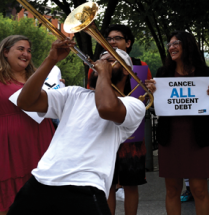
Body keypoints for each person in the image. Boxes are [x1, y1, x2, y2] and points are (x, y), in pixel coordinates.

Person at [8, 40, 145, 215]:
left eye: (110, 61)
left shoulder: (133, 104)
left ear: (126, 70)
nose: (101, 63)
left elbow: (106, 108)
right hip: (42, 179)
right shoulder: (73, 93)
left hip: (85, 186)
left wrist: (104, 74)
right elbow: (25, 102)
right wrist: (51, 59)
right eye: (100, 60)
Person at [145, 31, 209, 215]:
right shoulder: (163, 73)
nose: (172, 47)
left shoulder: (206, 73)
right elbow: (155, 107)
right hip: (170, 137)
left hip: (197, 137)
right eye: (169, 44)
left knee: (199, 189)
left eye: (176, 43)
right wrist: (152, 94)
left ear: (188, 45)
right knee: (172, 190)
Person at [90, 24, 152, 215]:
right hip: (105, 129)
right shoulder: (97, 65)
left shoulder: (141, 66)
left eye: (117, 38)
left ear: (128, 42)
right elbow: (90, 94)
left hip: (131, 131)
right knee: (107, 183)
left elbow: (147, 97)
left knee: (131, 183)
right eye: (109, 39)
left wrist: (152, 89)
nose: (112, 42)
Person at [0, 35, 55, 215]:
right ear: (6, 52)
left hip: (41, 137)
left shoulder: (37, 77)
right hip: (9, 145)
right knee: (9, 201)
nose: (26, 54)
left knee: (42, 197)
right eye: (21, 49)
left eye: (29, 51)